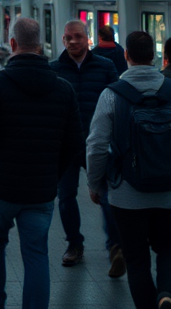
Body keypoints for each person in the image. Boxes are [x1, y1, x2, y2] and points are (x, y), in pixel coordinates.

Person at [0, 16, 83, 309]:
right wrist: (52, 175)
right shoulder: (64, 89)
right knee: (37, 254)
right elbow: (74, 143)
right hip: (40, 191)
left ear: (12, 44)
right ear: (41, 46)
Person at [87, 30, 171, 309]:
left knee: (136, 260)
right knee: (168, 251)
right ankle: (167, 296)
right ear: (154, 56)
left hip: (127, 195)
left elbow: (97, 145)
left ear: (126, 56)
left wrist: (95, 184)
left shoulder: (111, 95)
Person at [49, 19, 124, 275]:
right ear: (63, 40)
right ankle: (74, 244)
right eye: (68, 38)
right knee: (66, 196)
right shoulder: (54, 69)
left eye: (78, 37)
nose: (73, 42)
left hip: (99, 143)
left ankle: (115, 247)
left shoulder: (105, 67)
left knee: (106, 195)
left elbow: (117, 101)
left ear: (87, 38)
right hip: (67, 145)